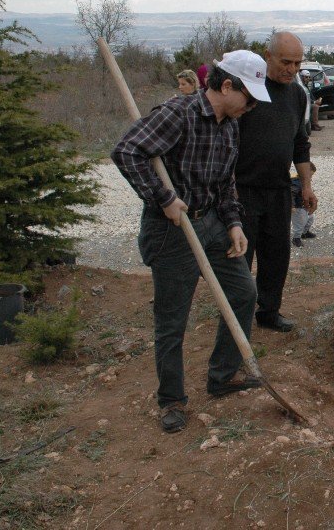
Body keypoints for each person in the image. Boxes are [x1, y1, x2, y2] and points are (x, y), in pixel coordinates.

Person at [111, 50, 271, 433]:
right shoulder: (177, 114)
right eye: (248, 97)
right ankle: (172, 399)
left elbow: (225, 183)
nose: (251, 106)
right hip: (171, 230)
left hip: (212, 223)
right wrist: (163, 198)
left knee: (244, 292)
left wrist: (233, 223)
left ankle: (222, 375)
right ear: (227, 85)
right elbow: (126, 151)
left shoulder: (229, 125)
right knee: (172, 320)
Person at [236, 31, 316, 333]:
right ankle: (237, 318)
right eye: (286, 62)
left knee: (277, 256)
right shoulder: (250, 91)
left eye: (297, 63)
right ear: (268, 56)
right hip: (243, 189)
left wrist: (306, 185)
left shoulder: (297, 95)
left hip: (279, 190)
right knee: (241, 257)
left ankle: (269, 311)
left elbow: (301, 143)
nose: (292, 69)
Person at [290, 161, 317, 247]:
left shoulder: (305, 182)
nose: (311, 178)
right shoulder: (296, 182)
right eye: (310, 176)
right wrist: (292, 206)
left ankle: (305, 233)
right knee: (299, 223)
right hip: (297, 207)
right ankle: (296, 238)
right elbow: (291, 194)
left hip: (304, 206)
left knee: (310, 218)